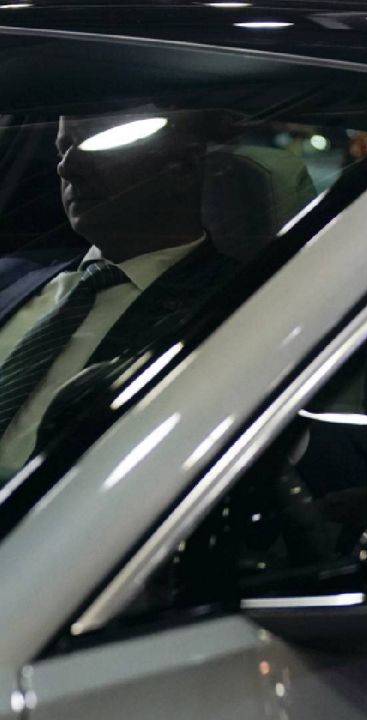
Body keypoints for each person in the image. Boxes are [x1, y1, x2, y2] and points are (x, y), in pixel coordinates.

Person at [0, 107, 236, 476]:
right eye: (62, 149)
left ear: (184, 170)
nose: (66, 167)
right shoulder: (12, 275)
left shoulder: (235, 308)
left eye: (97, 145)